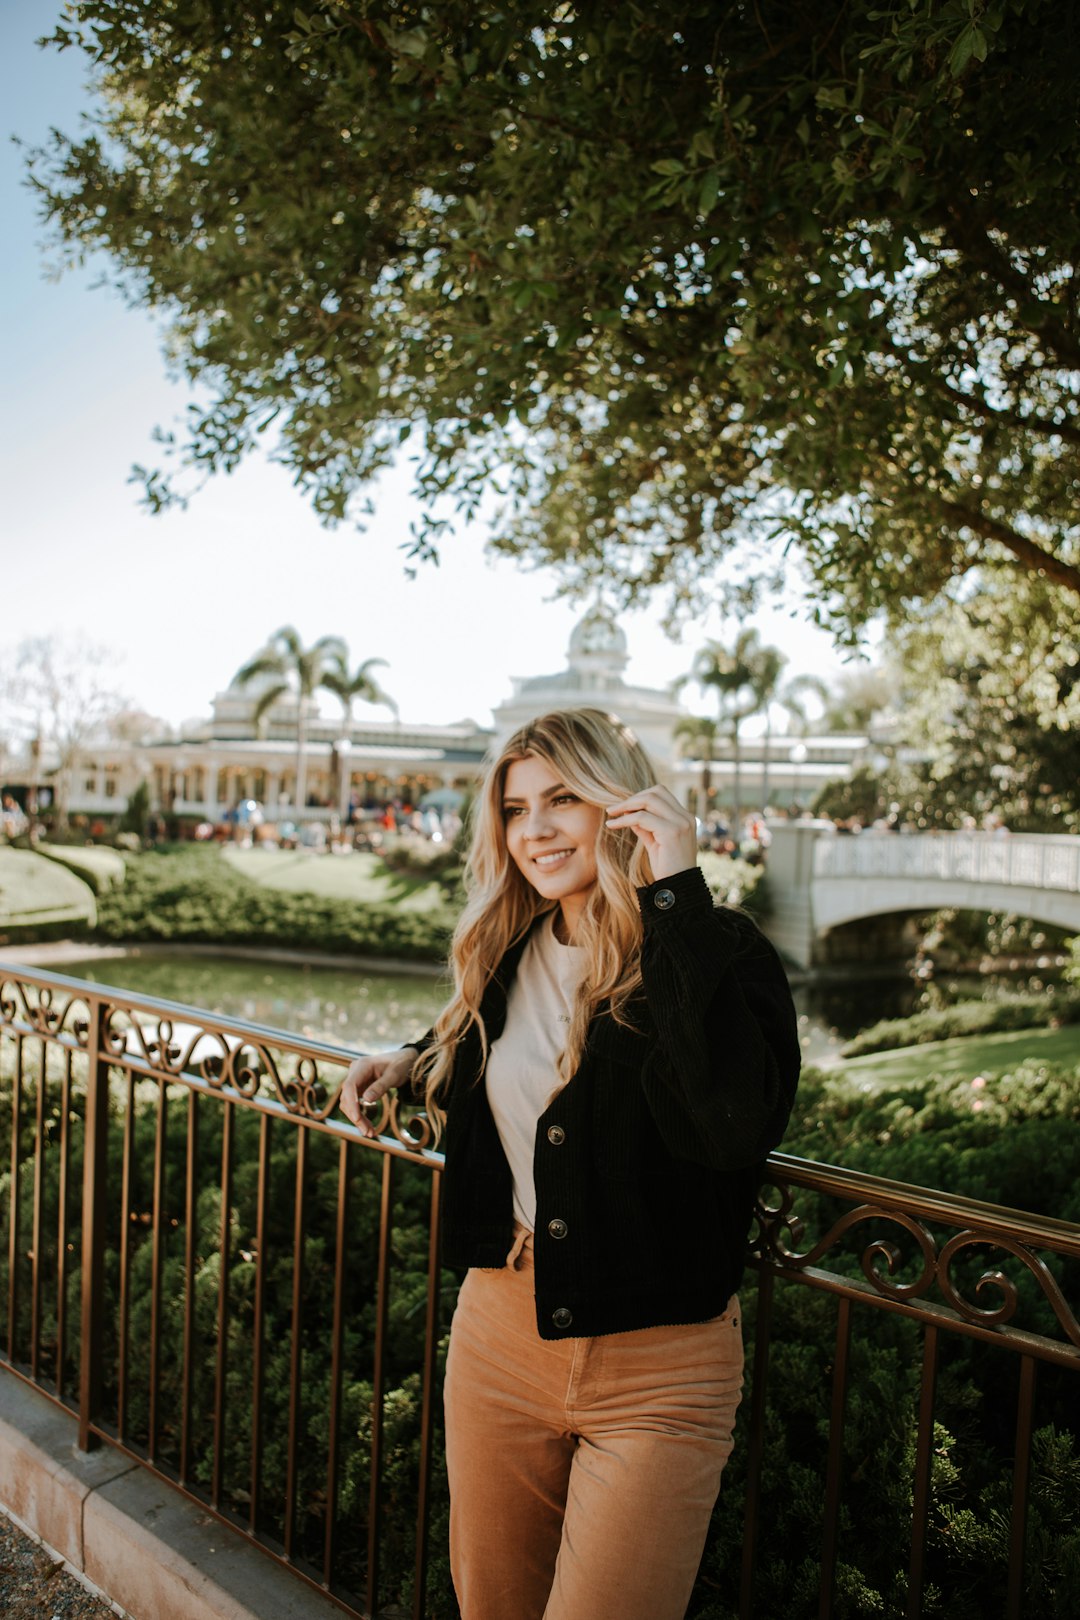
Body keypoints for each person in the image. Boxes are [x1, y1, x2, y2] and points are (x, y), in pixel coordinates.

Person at [340, 708, 800, 1620]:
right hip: (499, 1337)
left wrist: (674, 889)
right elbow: (509, 1057)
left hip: (662, 1366)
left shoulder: (717, 949)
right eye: (515, 810)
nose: (536, 830)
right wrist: (414, 1059)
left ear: (619, 803)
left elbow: (729, 1123)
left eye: (563, 799)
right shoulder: (507, 947)